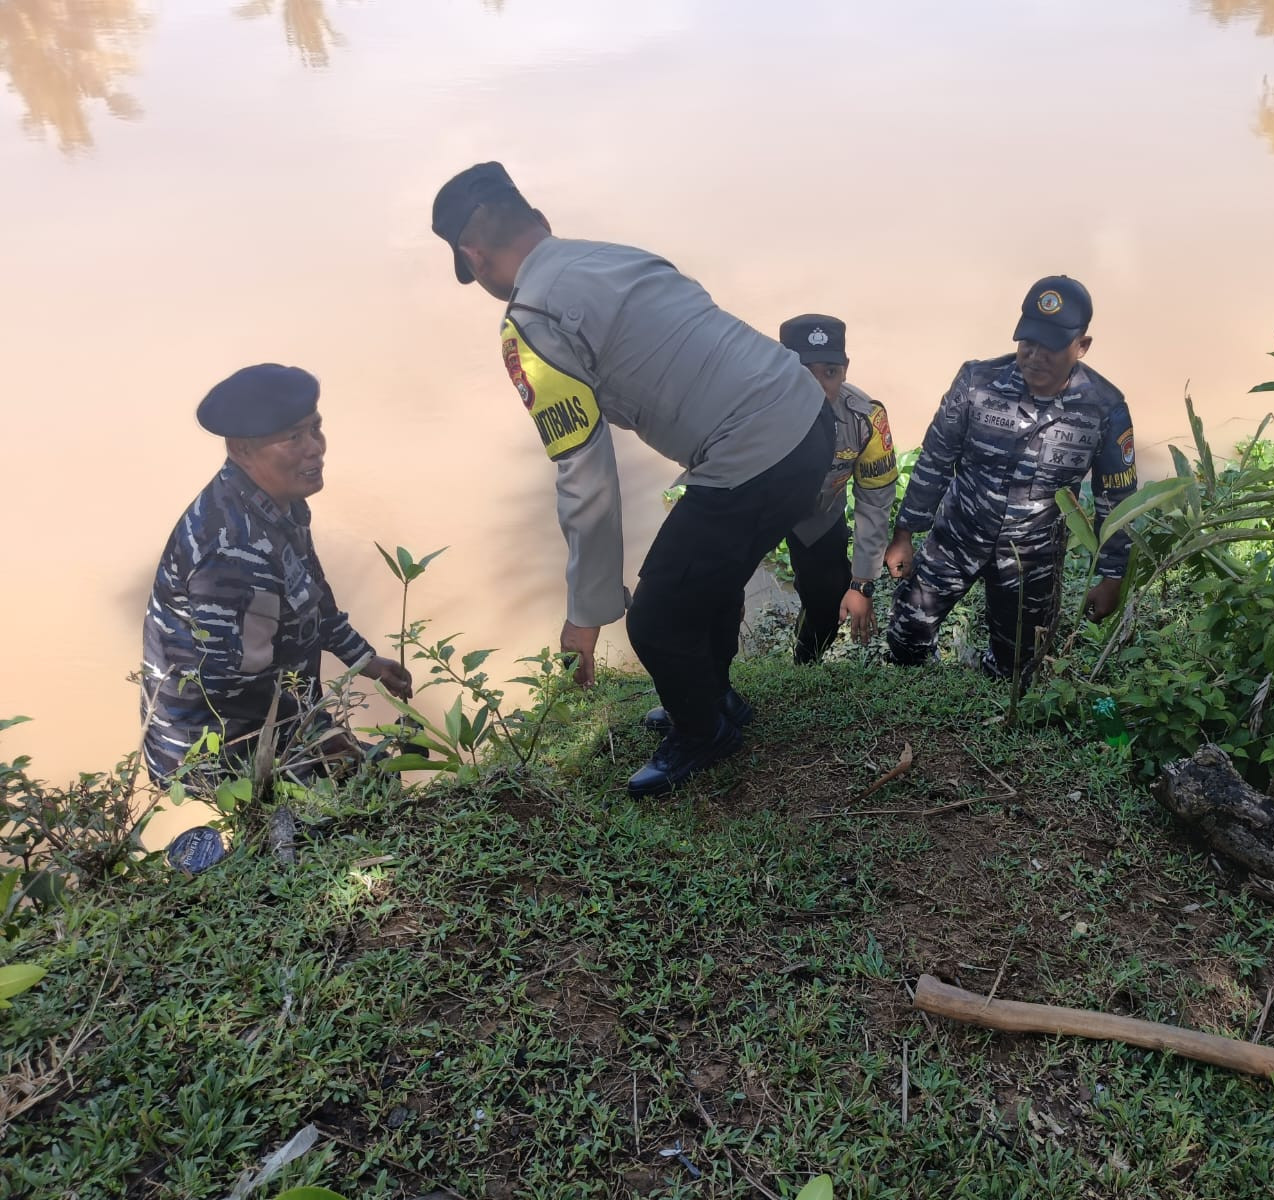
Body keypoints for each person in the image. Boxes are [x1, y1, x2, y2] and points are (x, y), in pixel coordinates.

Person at [430, 161, 832, 797]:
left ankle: (706, 734)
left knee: (654, 618)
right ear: (541, 223)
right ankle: (711, 698)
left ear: (474, 257)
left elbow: (585, 475)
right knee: (709, 576)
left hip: (752, 452)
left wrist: (585, 613)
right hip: (809, 421)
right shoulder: (615, 255)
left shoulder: (529, 321)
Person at [141, 365, 413, 786]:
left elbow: (313, 598)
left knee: (370, 786)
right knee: (337, 815)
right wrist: (320, 733)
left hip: (280, 711)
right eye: (293, 437)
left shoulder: (281, 503)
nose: (315, 449)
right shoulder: (231, 550)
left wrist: (363, 658)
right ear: (242, 449)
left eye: (316, 428)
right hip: (219, 746)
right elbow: (231, 683)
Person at [883, 276, 1136, 679]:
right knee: (905, 640)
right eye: (1027, 342)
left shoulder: (1104, 407)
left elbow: (1117, 497)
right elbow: (935, 458)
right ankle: (916, 703)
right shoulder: (977, 383)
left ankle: (992, 706)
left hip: (1031, 559)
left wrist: (1112, 574)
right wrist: (905, 532)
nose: (1035, 356)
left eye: (1050, 347)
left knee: (1017, 668)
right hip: (956, 538)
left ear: (1082, 346)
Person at [775, 313, 898, 662]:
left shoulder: (865, 419)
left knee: (827, 606)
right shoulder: (749, 410)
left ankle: (803, 664)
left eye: (830, 372)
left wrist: (862, 582)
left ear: (845, 369)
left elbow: (874, 504)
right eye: (803, 372)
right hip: (757, 512)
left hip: (818, 515)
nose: (818, 387)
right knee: (713, 597)